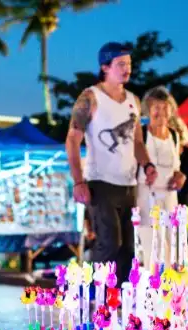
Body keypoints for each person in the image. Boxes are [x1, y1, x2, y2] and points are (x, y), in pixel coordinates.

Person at [65, 42, 157, 285]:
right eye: (120, 64)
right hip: (100, 181)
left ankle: (122, 303)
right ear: (105, 67)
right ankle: (99, 298)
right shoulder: (90, 98)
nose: (127, 69)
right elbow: (72, 140)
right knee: (110, 242)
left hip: (128, 183)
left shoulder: (134, 101)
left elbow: (137, 142)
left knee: (128, 247)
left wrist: (147, 165)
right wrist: (78, 181)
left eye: (129, 64)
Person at [136, 86, 186, 266]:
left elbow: (177, 167)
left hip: (170, 196)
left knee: (171, 243)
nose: (161, 112)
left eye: (165, 107)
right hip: (146, 194)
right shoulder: (141, 133)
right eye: (156, 107)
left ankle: (170, 284)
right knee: (151, 243)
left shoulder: (174, 135)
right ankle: (154, 284)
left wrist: (180, 177)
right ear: (147, 110)